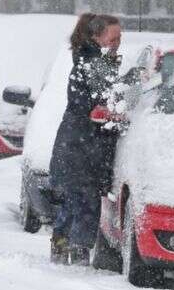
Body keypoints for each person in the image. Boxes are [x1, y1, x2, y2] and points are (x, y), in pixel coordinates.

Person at [48, 13, 126, 265]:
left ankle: (62, 252)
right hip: (81, 147)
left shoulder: (90, 60)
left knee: (74, 202)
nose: (117, 41)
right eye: (113, 37)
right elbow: (101, 100)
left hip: (78, 145)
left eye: (120, 37)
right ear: (96, 36)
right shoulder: (90, 63)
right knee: (82, 202)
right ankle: (75, 255)